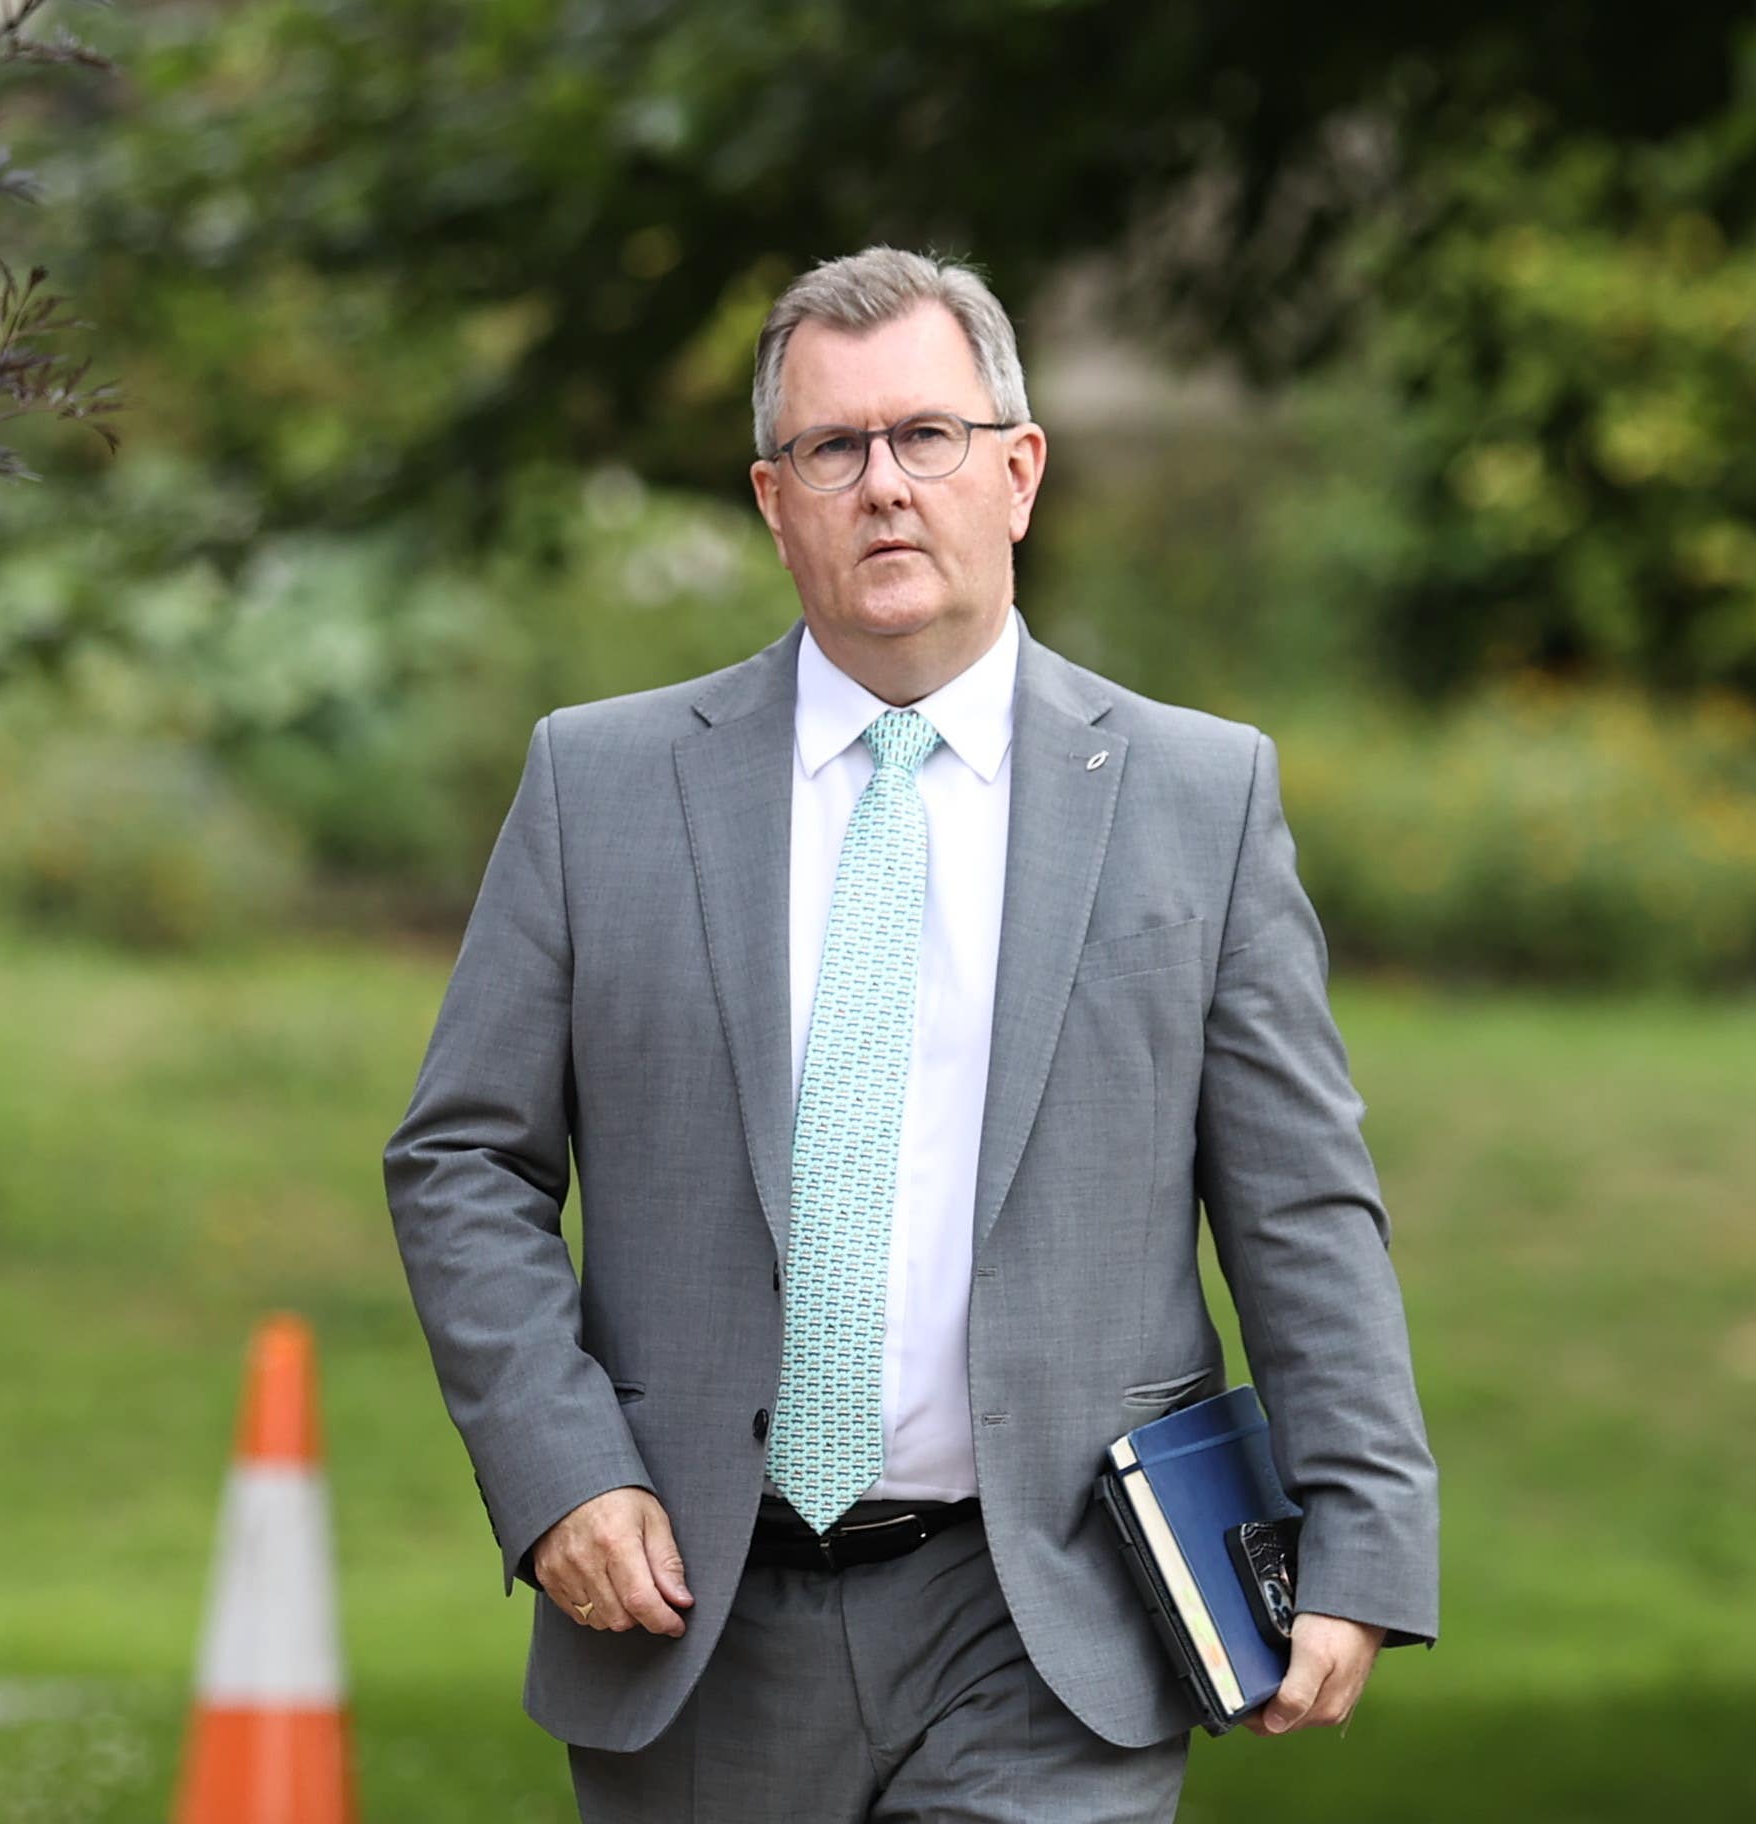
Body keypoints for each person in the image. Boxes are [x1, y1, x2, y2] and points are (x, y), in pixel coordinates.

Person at [382, 244, 1438, 1824]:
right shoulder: (599, 789)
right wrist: (560, 1470)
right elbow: (462, 1158)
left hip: (1048, 1617)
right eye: (834, 448)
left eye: (926, 437)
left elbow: (1298, 1201)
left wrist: (1361, 1535)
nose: (884, 484)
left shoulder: (1194, 800)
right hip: (693, 1615)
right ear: (771, 497)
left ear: (1017, 473)